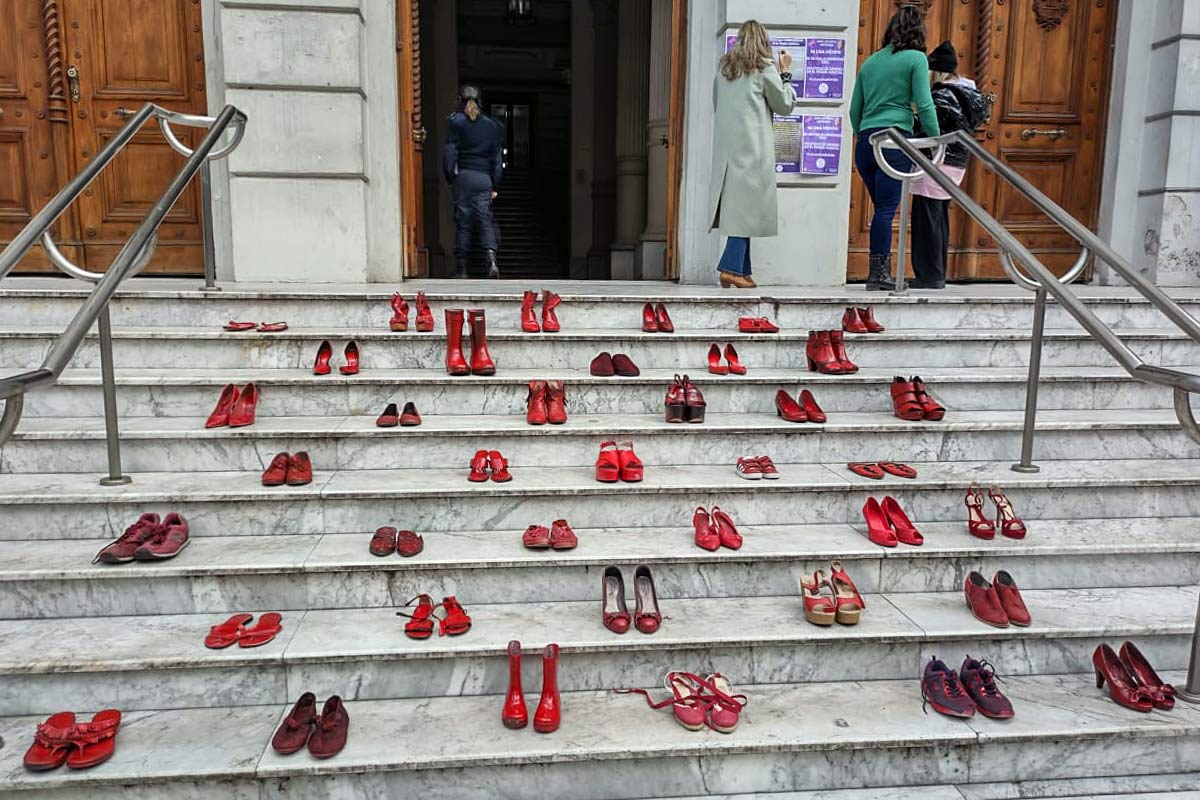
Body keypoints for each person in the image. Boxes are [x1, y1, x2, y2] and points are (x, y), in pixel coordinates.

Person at [850, 5, 940, 291]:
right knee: (887, 209)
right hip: (894, 140)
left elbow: (854, 110)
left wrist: (863, 134)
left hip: (867, 142)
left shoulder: (871, 61)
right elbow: (924, 104)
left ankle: (879, 272)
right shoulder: (916, 58)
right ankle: (878, 275)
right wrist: (936, 139)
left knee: (881, 208)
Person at [709, 20, 799, 289]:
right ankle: (730, 268)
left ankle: (742, 270)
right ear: (763, 42)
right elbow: (784, 105)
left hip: (728, 152)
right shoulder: (764, 68)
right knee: (745, 212)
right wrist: (786, 73)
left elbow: (716, 104)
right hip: (754, 150)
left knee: (741, 211)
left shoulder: (724, 71)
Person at [909, 41, 988, 289]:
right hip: (956, 162)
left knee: (927, 219)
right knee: (938, 216)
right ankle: (936, 272)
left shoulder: (942, 95)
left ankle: (929, 275)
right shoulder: (969, 94)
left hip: (936, 160)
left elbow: (928, 127)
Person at [443, 84, 504, 279]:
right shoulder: (492, 126)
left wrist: (451, 178)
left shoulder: (455, 122)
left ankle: (461, 269)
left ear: (460, 100)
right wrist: (495, 184)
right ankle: (492, 262)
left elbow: (450, 153)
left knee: (464, 223)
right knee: (485, 220)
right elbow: (497, 160)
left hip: (464, 177)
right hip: (484, 179)